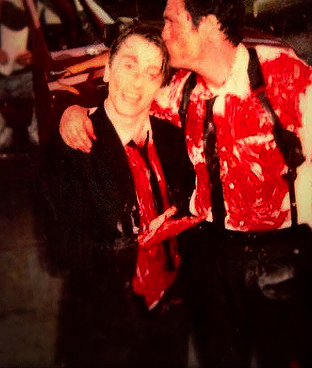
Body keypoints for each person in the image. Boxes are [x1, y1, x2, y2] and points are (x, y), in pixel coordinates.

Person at [58, 0, 312, 368]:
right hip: (210, 257)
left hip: (282, 258)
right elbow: (124, 106)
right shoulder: (180, 91)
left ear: (208, 24)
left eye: (171, 20)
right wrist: (74, 114)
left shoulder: (287, 79)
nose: (164, 32)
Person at [43, 24, 200, 367]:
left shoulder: (173, 140)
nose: (137, 83)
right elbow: (61, 250)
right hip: (105, 328)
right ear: (108, 69)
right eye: (129, 65)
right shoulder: (73, 147)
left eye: (150, 72)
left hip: (169, 321)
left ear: (161, 83)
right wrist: (135, 243)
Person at [0, 0, 38, 150]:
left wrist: (31, 55)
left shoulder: (18, 16)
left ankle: (36, 135)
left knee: (43, 86)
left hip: (21, 76)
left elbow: (39, 47)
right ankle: (2, 137)